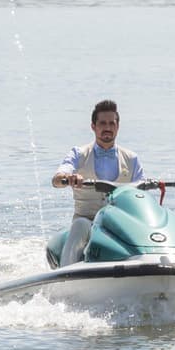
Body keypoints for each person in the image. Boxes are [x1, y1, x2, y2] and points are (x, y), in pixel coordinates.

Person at [51, 99, 145, 267]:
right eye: (102, 123)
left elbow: (142, 194)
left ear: (118, 126)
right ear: (93, 126)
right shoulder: (79, 153)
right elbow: (57, 179)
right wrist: (67, 177)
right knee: (80, 224)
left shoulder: (132, 159)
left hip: (120, 225)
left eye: (111, 123)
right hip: (87, 223)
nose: (107, 127)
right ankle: (66, 274)